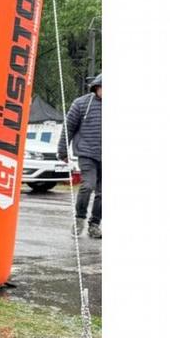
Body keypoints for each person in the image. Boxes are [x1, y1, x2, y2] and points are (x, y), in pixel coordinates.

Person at [58, 73, 102, 238]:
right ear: (96, 87)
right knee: (88, 185)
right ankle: (79, 220)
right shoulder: (81, 103)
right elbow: (68, 128)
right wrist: (62, 150)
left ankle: (95, 224)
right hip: (87, 153)